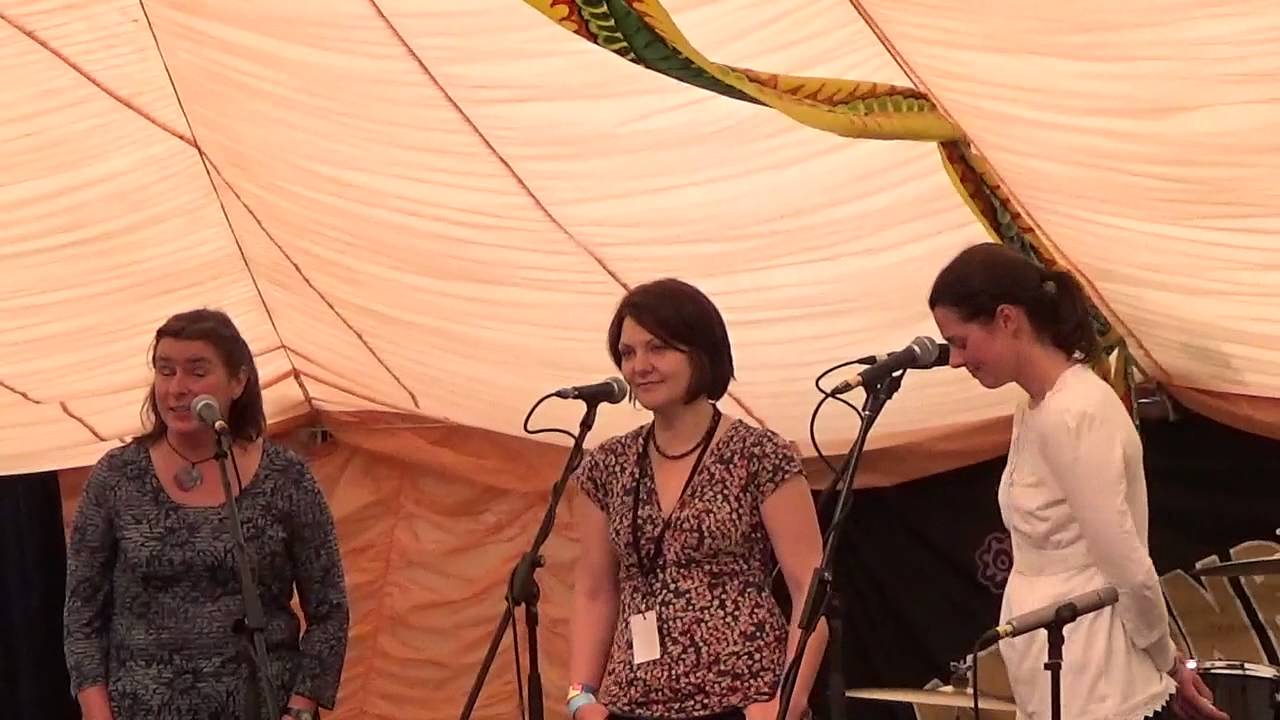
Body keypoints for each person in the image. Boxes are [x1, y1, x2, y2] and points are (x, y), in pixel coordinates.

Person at [928, 243, 1226, 720]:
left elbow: (1125, 560)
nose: (957, 360)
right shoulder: (1033, 407)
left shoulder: (1080, 410)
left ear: (1007, 318)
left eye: (962, 341)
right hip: (1053, 671)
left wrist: (1167, 661)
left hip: (1098, 677)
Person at [63, 309, 350, 720]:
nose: (177, 388)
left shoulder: (286, 478)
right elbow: (81, 614)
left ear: (238, 381)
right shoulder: (117, 477)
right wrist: (96, 712)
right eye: (165, 371)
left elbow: (329, 609)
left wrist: (301, 708)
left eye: (197, 371)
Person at [566, 278, 827, 720]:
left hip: (740, 701)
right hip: (631, 705)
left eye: (658, 348)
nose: (639, 365)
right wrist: (580, 698)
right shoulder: (606, 464)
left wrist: (788, 701)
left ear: (701, 353)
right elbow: (594, 591)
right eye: (628, 353)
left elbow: (811, 588)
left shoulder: (760, 455)